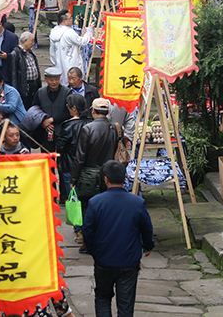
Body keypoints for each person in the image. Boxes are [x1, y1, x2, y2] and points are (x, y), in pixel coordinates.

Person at [83, 160, 153, 317]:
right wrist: (148, 245)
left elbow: (88, 230)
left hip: (103, 260)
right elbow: (146, 228)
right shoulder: (137, 202)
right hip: (128, 261)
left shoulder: (95, 202)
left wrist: (92, 250)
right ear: (125, 177)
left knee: (102, 297)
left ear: (105, 179)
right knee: (126, 305)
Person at [72, 98, 119, 254]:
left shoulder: (87, 129)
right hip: (108, 173)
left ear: (93, 111)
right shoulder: (114, 128)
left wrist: (74, 178)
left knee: (87, 208)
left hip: (88, 175)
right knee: (106, 208)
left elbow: (80, 157)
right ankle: (106, 240)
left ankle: (88, 241)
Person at [55, 93, 91, 221]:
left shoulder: (68, 126)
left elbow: (60, 147)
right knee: (88, 200)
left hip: (70, 167)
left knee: (74, 199)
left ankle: (78, 229)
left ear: (73, 108)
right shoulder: (91, 124)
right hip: (89, 167)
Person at [31, 67, 72, 153]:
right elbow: (35, 110)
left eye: (56, 79)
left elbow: (69, 112)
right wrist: (43, 122)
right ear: (45, 79)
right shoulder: (40, 92)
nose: (54, 82)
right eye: (51, 80)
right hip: (45, 132)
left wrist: (52, 120)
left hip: (61, 131)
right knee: (47, 157)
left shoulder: (67, 92)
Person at [50, 10, 94, 86]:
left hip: (59, 64)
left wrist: (55, 63)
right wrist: (89, 31)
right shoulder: (69, 32)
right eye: (70, 18)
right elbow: (83, 42)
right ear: (64, 21)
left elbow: (52, 52)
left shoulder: (53, 32)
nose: (72, 20)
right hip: (71, 64)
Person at [9, 32, 41, 110]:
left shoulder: (30, 53)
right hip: (24, 88)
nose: (33, 43)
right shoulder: (15, 54)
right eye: (32, 41)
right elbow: (13, 75)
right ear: (25, 40)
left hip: (34, 87)